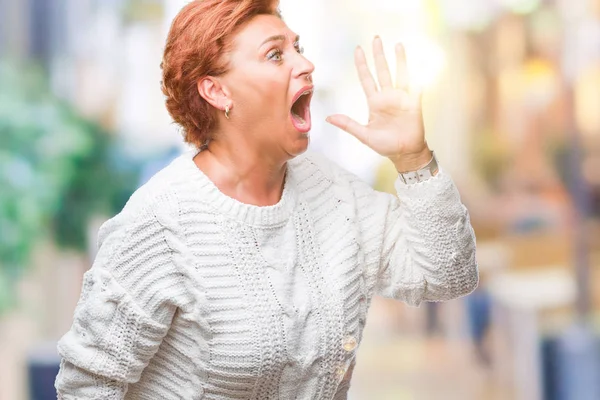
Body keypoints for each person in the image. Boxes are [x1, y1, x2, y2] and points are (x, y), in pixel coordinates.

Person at [54, 0, 478, 398]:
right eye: (276, 55)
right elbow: (87, 387)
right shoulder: (159, 226)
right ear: (217, 92)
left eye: (298, 48)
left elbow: (448, 275)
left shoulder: (333, 194)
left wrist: (412, 158)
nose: (306, 64)